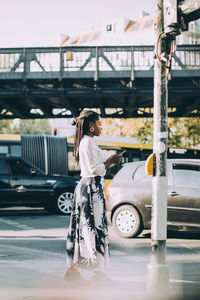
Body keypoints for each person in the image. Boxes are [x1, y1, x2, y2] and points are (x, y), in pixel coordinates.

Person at [64, 109, 122, 284]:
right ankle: (96, 274)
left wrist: (110, 159)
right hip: (90, 188)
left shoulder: (88, 142)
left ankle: (77, 270)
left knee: (82, 229)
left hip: (90, 188)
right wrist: (110, 161)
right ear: (91, 125)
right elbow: (93, 169)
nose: (101, 127)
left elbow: (98, 163)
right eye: (99, 123)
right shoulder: (87, 143)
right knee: (93, 229)